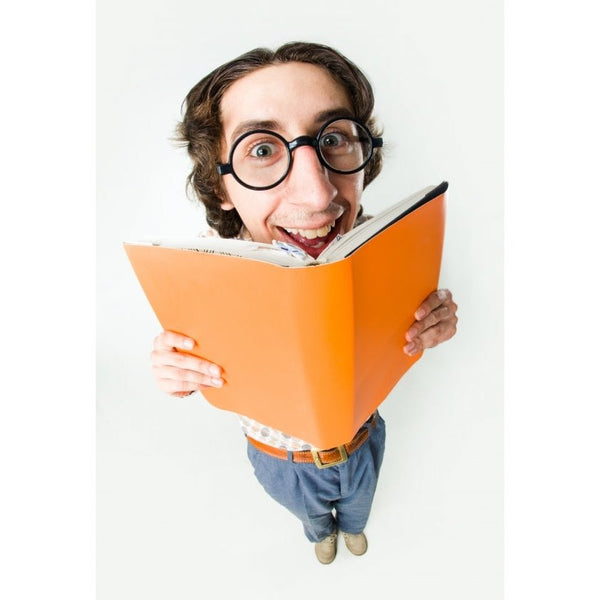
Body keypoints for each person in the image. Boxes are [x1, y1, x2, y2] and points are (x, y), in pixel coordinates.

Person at [150, 42, 458, 564]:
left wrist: (437, 318)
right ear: (220, 186)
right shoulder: (201, 271)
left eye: (333, 139)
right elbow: (184, 352)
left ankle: (353, 528)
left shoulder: (380, 242)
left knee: (359, 506)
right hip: (280, 460)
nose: (318, 196)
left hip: (365, 442)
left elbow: (411, 313)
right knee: (310, 516)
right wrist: (173, 366)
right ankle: (320, 534)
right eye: (262, 150)